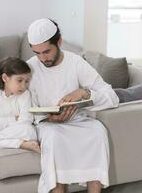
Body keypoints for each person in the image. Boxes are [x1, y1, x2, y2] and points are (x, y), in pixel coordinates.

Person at [26, 18, 119, 193]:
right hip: (48, 125)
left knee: (98, 131)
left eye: (46, 51)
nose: (42, 58)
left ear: (59, 42)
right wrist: (49, 117)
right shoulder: (30, 67)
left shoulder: (76, 62)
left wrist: (84, 93)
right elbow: (25, 108)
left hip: (79, 121)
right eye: (36, 53)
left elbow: (111, 96)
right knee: (53, 138)